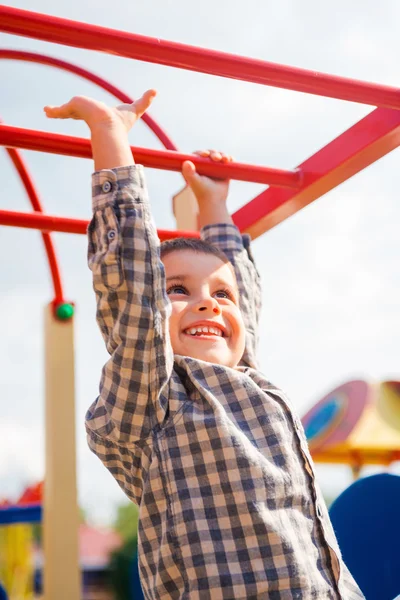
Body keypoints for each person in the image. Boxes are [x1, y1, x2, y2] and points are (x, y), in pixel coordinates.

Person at [45, 91, 364, 599]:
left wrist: (215, 205)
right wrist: (110, 135)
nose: (209, 304)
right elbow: (131, 285)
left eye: (220, 295)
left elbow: (243, 297)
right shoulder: (153, 395)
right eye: (178, 290)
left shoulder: (250, 379)